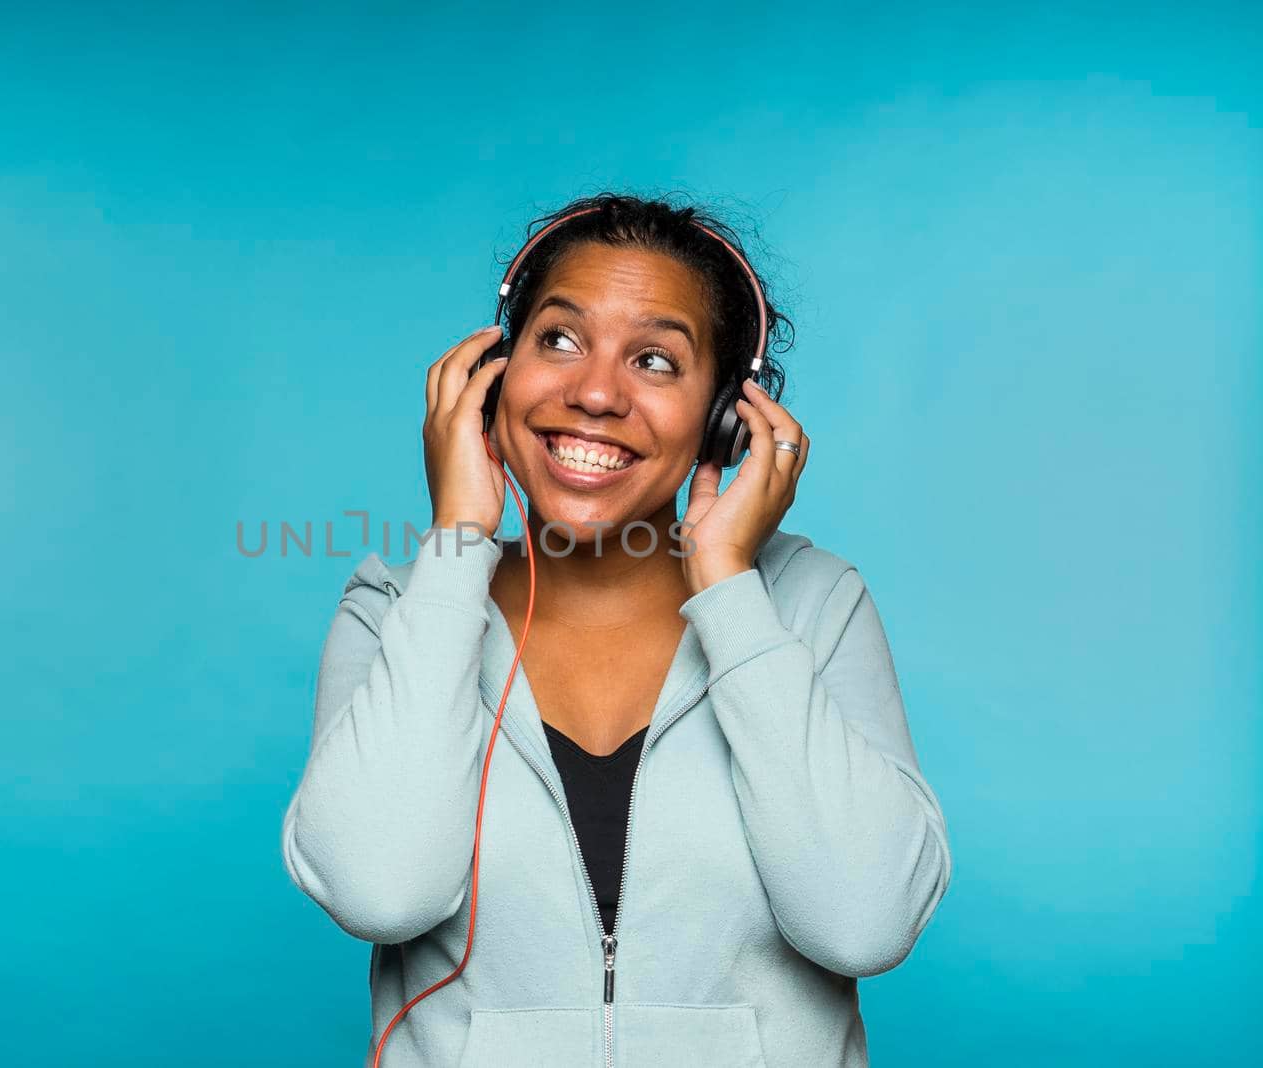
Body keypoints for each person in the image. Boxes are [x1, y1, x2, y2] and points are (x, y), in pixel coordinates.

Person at [282, 192, 953, 1067]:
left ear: (726, 416)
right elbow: (383, 892)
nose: (595, 392)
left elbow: (864, 922)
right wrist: (455, 550)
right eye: (557, 339)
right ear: (488, 379)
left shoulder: (810, 607)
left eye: (656, 361)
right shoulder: (395, 614)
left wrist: (731, 592)